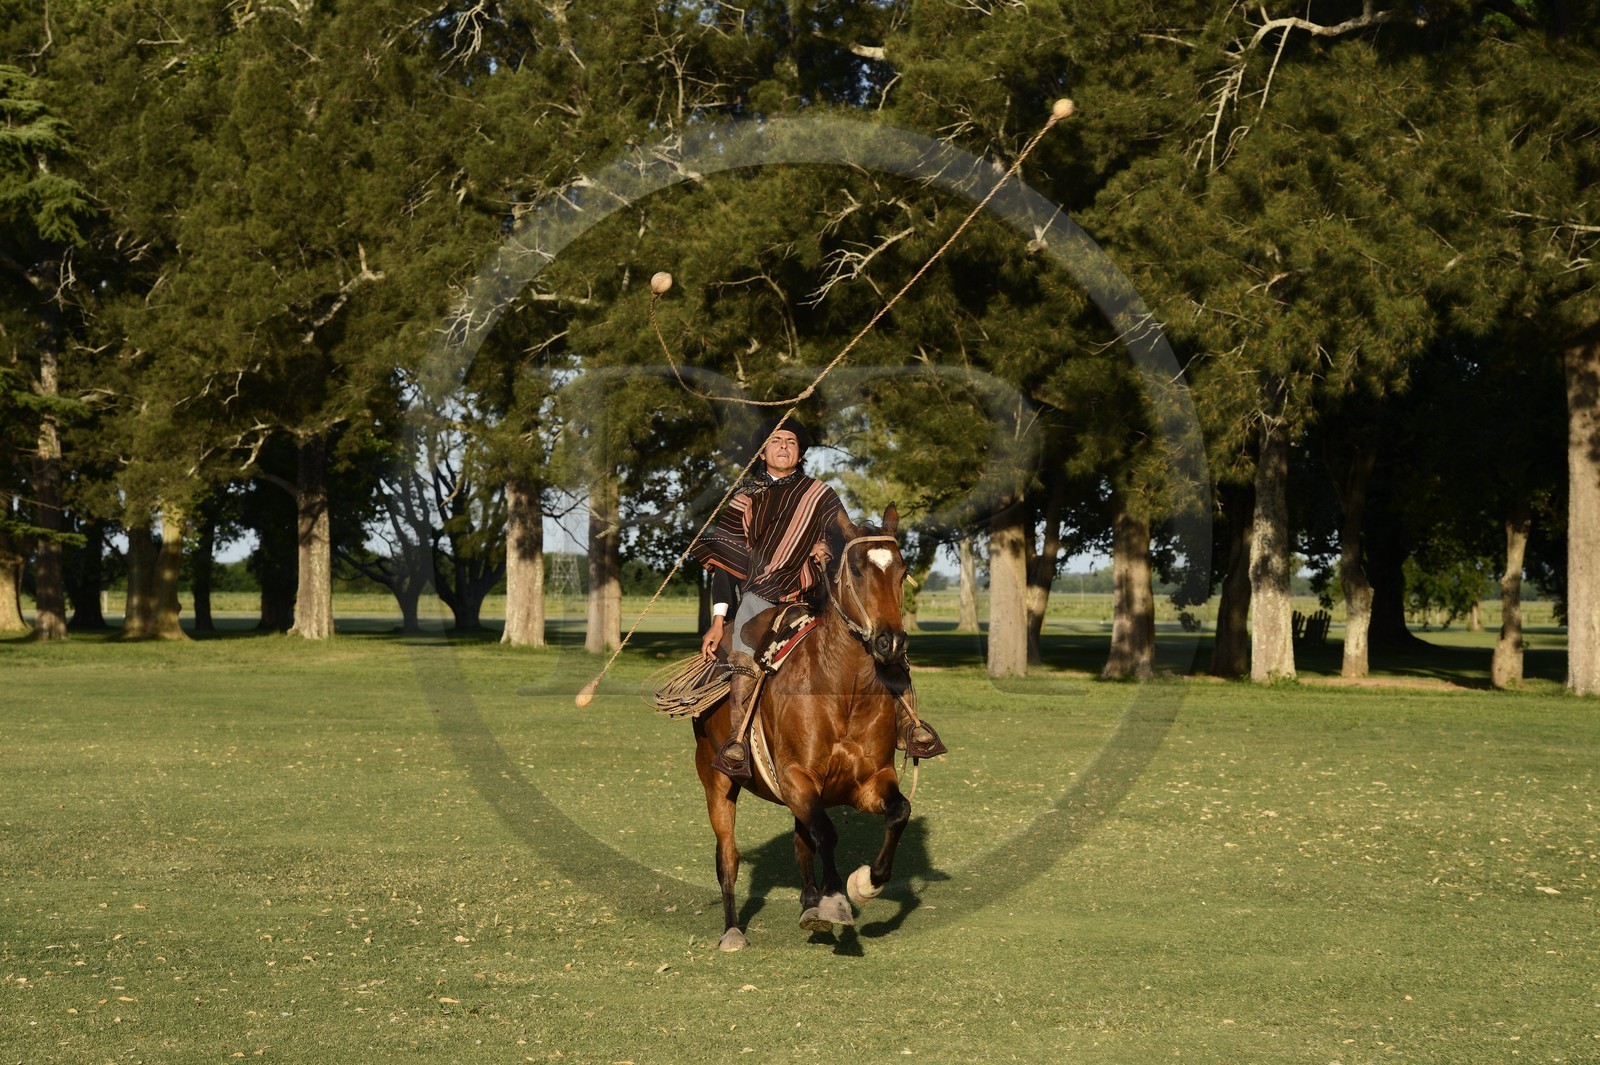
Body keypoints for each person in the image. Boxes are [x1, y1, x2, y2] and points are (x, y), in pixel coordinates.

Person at [692, 417, 944, 782]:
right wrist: (718, 621)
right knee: (744, 655)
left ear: (800, 452)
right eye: (776, 441)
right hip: (759, 598)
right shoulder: (743, 498)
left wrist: (829, 547)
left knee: (883, 641)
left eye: (791, 442)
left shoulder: (820, 494)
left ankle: (909, 722)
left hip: (814, 596)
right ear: (763, 452)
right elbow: (725, 564)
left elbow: (849, 538)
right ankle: (737, 742)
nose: (783, 446)